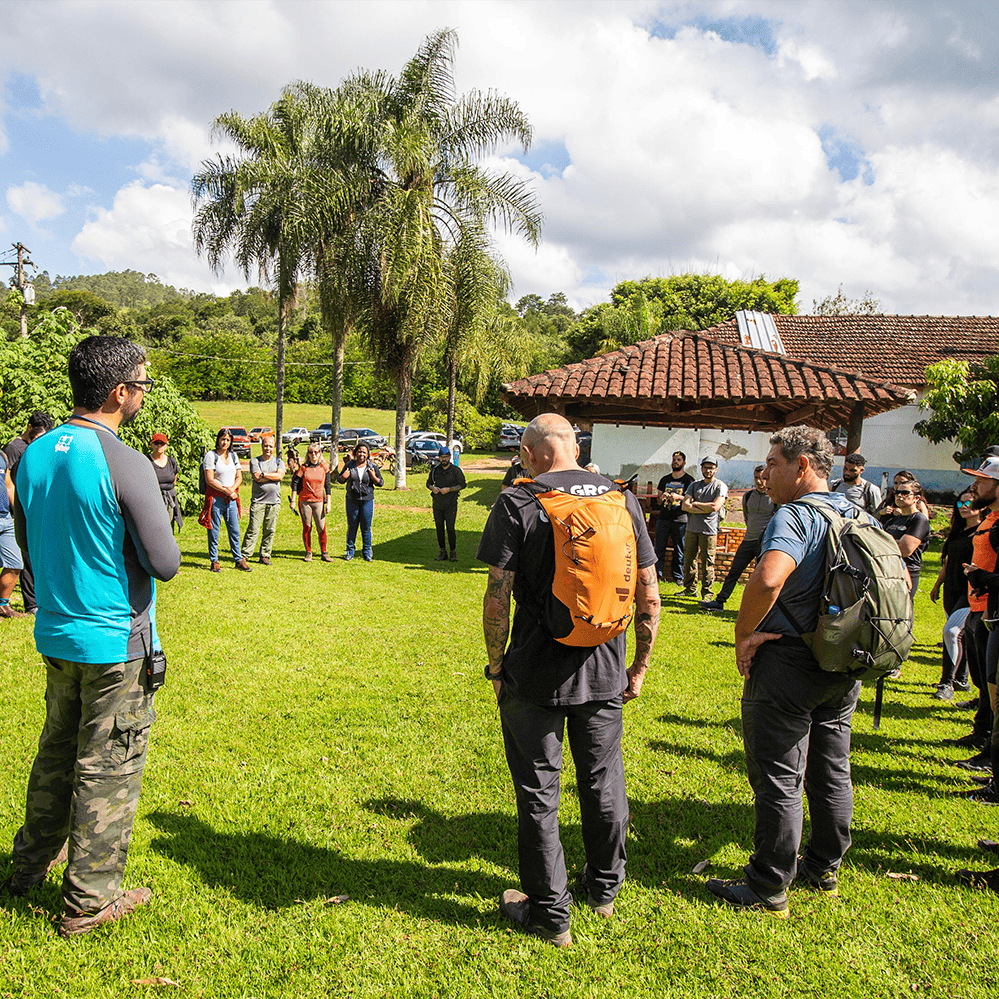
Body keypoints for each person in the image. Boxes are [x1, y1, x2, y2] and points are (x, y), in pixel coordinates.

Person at [4, 335, 180, 937]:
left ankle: (29, 863)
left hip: (56, 633)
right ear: (119, 392)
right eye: (142, 383)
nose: (143, 393)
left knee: (56, 751)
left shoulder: (33, 453)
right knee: (109, 764)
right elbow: (165, 561)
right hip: (115, 641)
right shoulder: (123, 459)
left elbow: (27, 546)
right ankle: (88, 901)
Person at [477, 413, 660, 946]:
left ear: (533, 453)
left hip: (534, 672)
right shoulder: (622, 498)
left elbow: (497, 595)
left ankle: (551, 914)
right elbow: (649, 596)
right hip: (605, 668)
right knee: (604, 782)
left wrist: (495, 665)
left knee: (539, 791)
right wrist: (639, 665)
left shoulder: (519, 500)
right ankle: (603, 890)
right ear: (575, 447)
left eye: (521, 454)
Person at [706, 426, 878, 916]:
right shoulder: (857, 512)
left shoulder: (796, 516)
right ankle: (823, 867)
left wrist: (743, 634)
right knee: (831, 768)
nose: (767, 473)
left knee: (780, 775)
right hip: (843, 659)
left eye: (775, 463)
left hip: (789, 661)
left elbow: (769, 577)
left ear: (803, 465)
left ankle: (767, 885)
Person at [948, 457, 999, 785]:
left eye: (983, 480)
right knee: (986, 682)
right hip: (981, 608)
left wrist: (985, 578)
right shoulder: (991, 518)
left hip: (991, 610)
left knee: (993, 687)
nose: (975, 486)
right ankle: (986, 744)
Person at [701, 465, 775, 611]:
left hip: (765, 543)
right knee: (734, 572)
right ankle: (720, 601)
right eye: (756, 478)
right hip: (748, 540)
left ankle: (761, 608)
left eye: (763, 478)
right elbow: (747, 517)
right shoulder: (748, 496)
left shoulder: (775, 497)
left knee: (762, 577)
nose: (759, 481)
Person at [929, 489, 979, 700]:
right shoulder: (958, 531)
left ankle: (946, 683)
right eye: (960, 504)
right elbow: (948, 562)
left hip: (970, 591)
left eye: (969, 503)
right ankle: (962, 679)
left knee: (951, 632)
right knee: (962, 634)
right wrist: (937, 584)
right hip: (951, 588)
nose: (963, 507)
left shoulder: (984, 532)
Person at [4, 410, 54, 614]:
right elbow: (6, 481)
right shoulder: (14, 448)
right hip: (18, 509)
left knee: (37, 555)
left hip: (35, 506)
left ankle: (41, 599)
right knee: (25, 557)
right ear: (30, 429)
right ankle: (31, 603)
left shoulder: (37, 446)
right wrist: (17, 508)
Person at [200, 428, 250, 573]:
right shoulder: (211, 455)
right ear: (218, 440)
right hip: (216, 498)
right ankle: (214, 560)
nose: (225, 442)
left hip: (231, 499)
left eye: (228, 440)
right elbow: (210, 479)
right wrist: (226, 490)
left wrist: (233, 490)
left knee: (234, 530)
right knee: (214, 530)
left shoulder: (233, 456)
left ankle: (238, 559)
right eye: (223, 439)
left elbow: (239, 477)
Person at [678, 457, 728, 598]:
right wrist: (704, 507)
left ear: (716, 469)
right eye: (705, 467)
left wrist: (695, 504)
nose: (708, 470)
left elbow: (715, 506)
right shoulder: (694, 485)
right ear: (701, 468)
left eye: (711, 468)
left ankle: (707, 593)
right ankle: (689, 589)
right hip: (691, 529)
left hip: (709, 531)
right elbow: (684, 505)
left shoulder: (720, 486)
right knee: (689, 561)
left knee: (708, 563)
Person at [880, 479, 931, 597]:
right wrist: (895, 542)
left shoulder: (919, 519)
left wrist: (884, 543)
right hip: (887, 570)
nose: (899, 496)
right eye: (897, 492)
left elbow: (905, 550)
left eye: (905, 493)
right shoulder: (891, 520)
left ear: (917, 498)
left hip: (908, 571)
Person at [335, 442, 384, 561]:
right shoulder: (349, 465)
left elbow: (380, 483)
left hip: (367, 500)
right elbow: (339, 480)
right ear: (355, 452)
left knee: (366, 527)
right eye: (359, 451)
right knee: (352, 526)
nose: (361, 454)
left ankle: (367, 553)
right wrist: (344, 477)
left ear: (367, 454)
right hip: (352, 500)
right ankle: (349, 551)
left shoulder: (372, 466)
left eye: (364, 452)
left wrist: (373, 476)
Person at [241, 435, 284, 565]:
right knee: (253, 528)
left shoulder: (279, 462)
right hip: (258, 500)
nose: (268, 449)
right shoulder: (255, 461)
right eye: (266, 446)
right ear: (262, 446)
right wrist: (273, 476)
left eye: (270, 446)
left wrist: (264, 475)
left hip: (274, 501)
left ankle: (265, 555)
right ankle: (245, 555)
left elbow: (280, 476)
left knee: (270, 529)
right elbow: (256, 477)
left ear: (274, 448)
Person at [653, 451, 694, 584]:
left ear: (684, 462)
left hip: (681, 519)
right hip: (664, 518)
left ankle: (678, 576)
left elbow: (691, 500)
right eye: (674, 459)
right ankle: (656, 574)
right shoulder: (665, 479)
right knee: (659, 547)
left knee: (680, 549)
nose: (675, 462)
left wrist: (679, 497)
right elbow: (658, 500)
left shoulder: (689, 481)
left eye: (679, 460)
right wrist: (662, 497)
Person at [292, 443, 332, 562]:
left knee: (321, 527)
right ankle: (308, 552)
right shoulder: (304, 468)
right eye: (311, 452)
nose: (314, 454)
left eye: (316, 452)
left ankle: (324, 552)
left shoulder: (324, 468)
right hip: (305, 501)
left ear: (320, 453)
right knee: (307, 527)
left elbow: (328, 486)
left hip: (319, 501)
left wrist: (328, 503)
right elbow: (295, 483)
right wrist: (293, 500)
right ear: (308, 454)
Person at [428, 444, 466, 562]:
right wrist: (432, 488)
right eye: (441, 457)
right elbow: (428, 483)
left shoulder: (455, 470)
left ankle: (453, 552)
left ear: (449, 457)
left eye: (446, 457)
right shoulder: (435, 470)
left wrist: (449, 489)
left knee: (450, 528)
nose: (444, 459)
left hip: (451, 503)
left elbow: (463, 485)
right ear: (439, 458)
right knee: (439, 528)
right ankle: (442, 551)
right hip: (437, 503)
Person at [0, 448, 26, 619]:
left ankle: (3, 605)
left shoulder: (2, 456)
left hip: (5, 517)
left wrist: (20, 510)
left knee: (15, 563)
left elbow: (8, 485)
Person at [147, 432, 183, 534]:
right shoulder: (147, 461)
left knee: (168, 526)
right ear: (151, 445)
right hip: (153, 499)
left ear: (166, 446)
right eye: (156, 443)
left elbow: (174, 477)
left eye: (162, 444)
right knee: (154, 528)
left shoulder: (171, 461)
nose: (159, 446)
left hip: (169, 499)